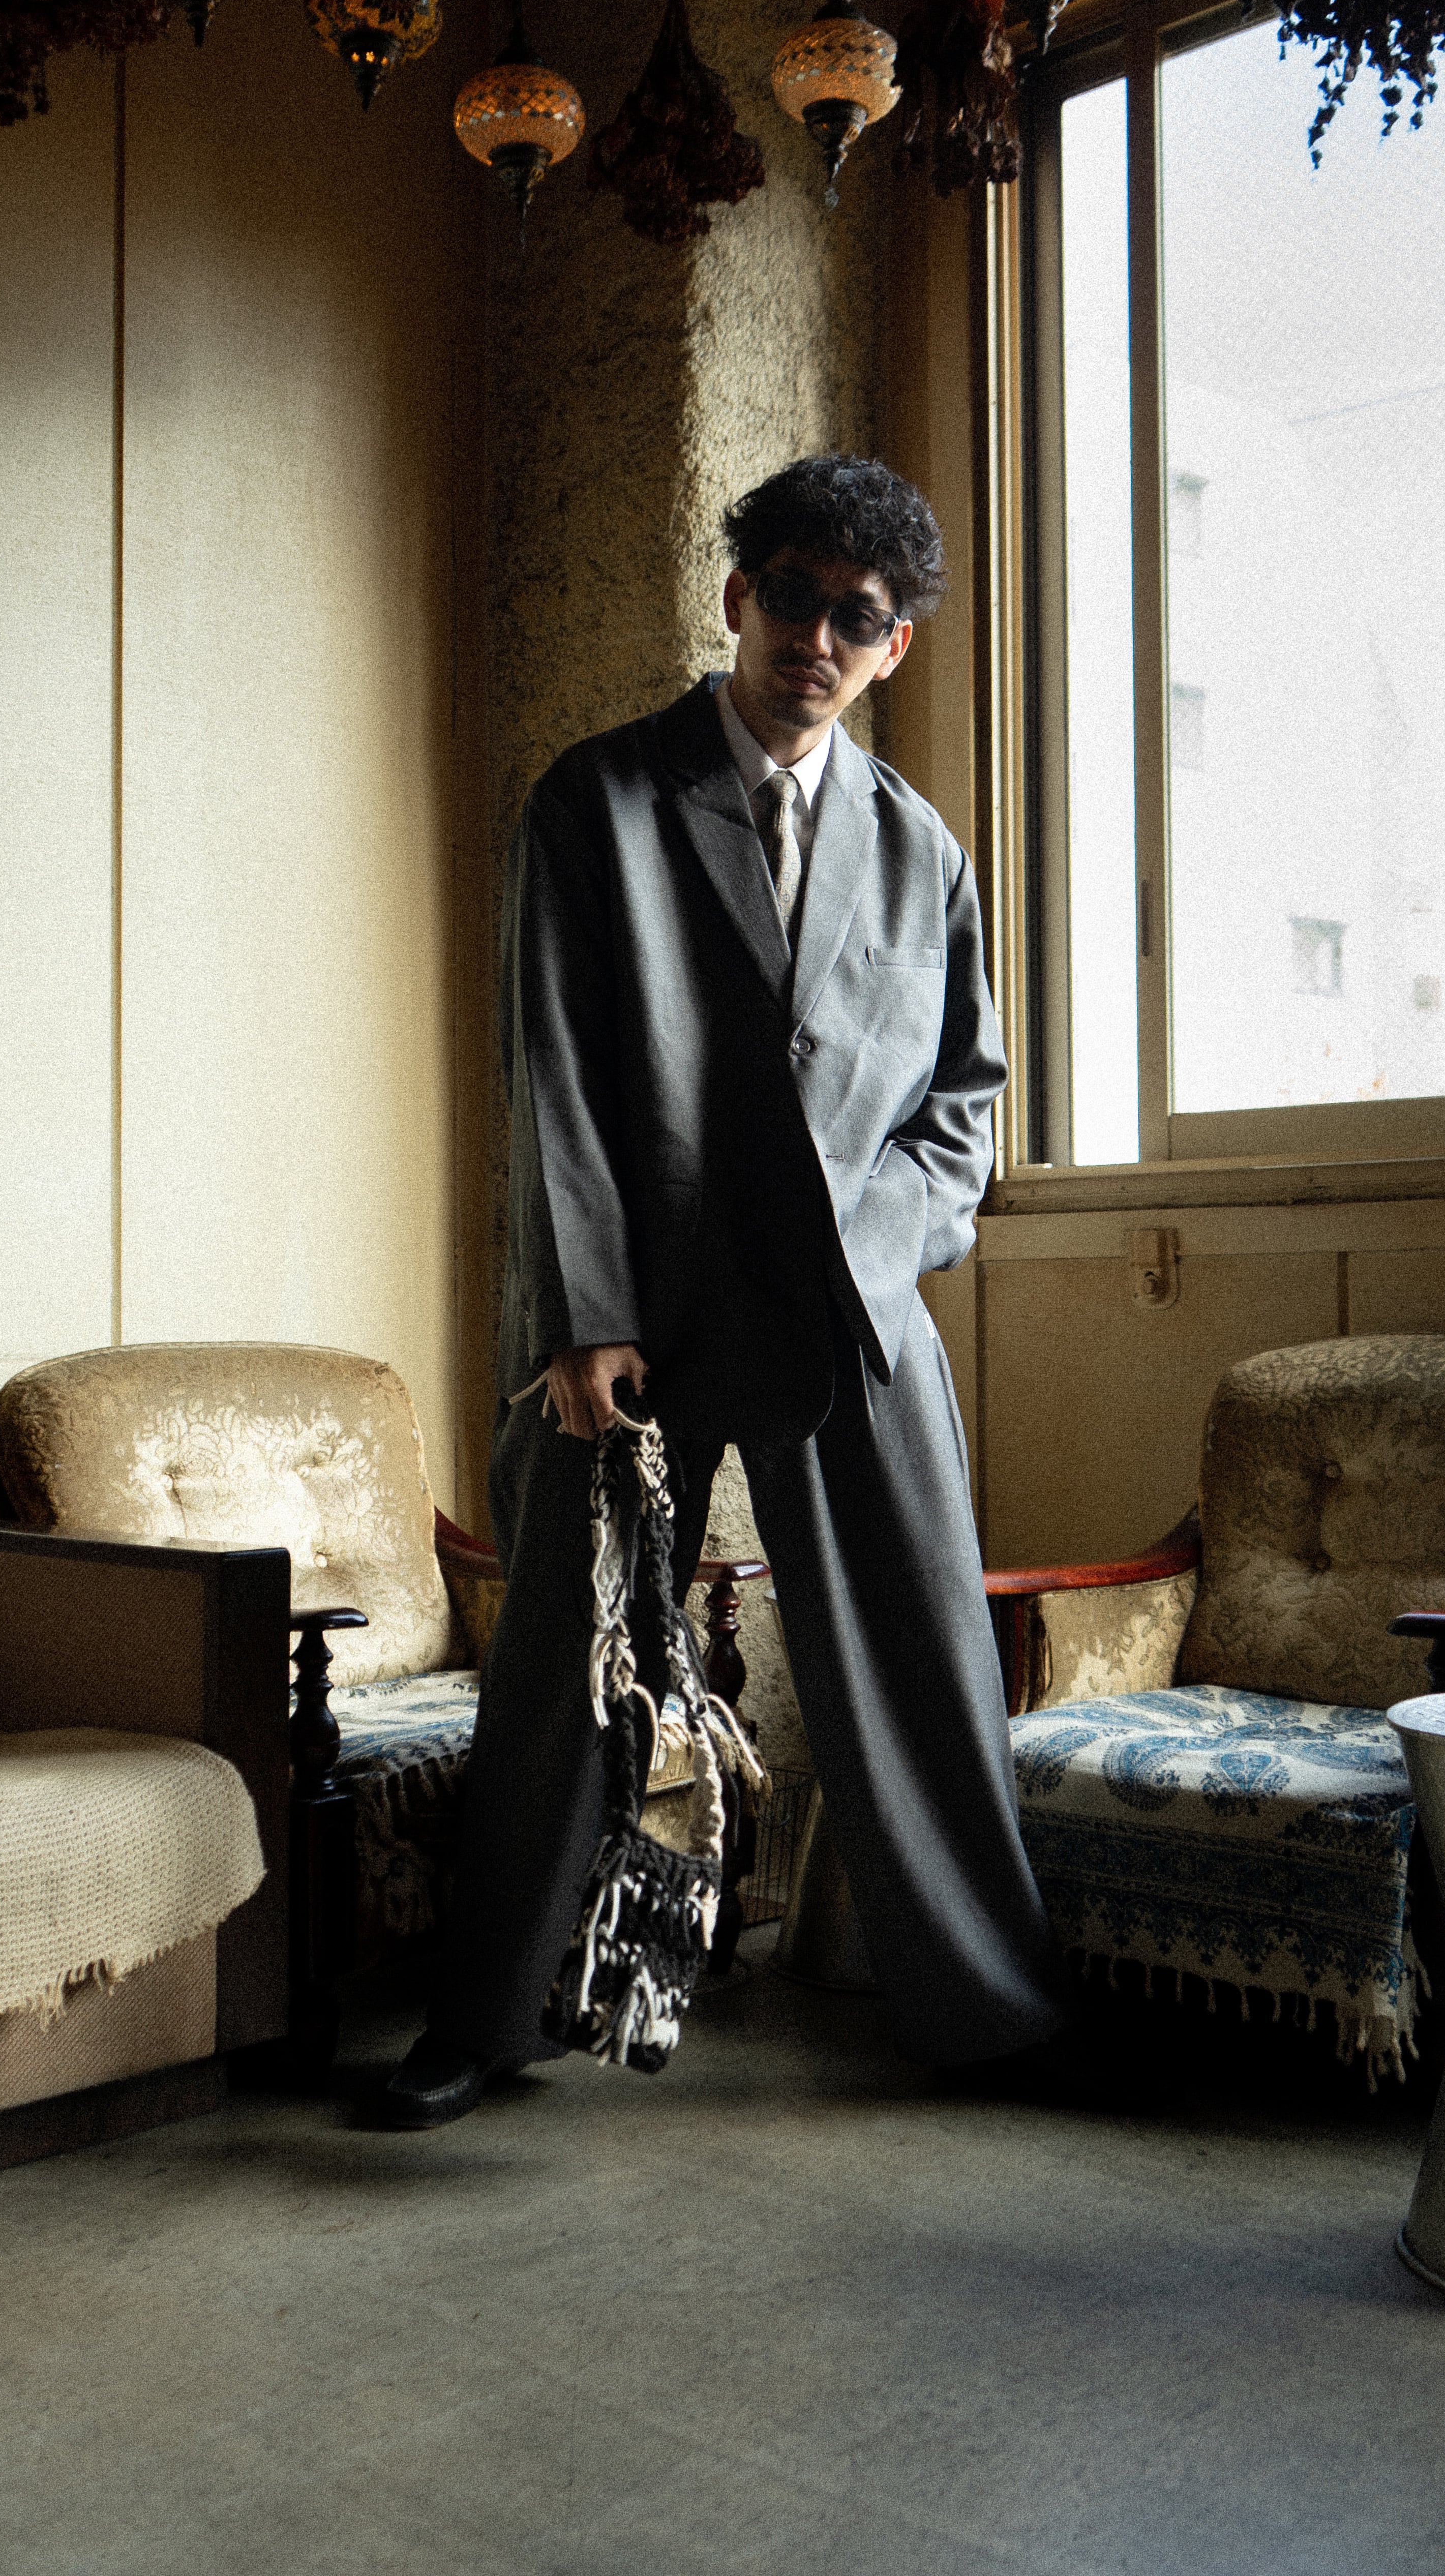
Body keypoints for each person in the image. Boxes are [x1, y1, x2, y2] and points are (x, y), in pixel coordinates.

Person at [385, 454, 1073, 2127]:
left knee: (922, 1656)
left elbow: (961, 1112)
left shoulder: (924, 853)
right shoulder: (597, 801)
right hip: (636, 1321)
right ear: (737, 597)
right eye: (794, 599)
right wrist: (585, 1318)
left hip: (853, 1320)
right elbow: (555, 1082)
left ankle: (992, 2013)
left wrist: (877, 1250)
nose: (816, 641)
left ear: (895, 645)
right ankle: (488, 2018)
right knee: (567, 1663)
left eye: (858, 617)